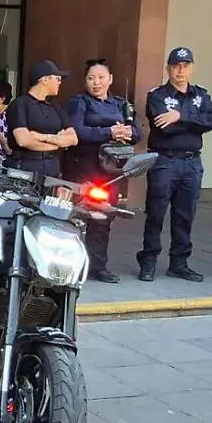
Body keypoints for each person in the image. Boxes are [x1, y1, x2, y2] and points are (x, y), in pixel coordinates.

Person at [137, 47, 212, 283]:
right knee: (156, 213)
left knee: (185, 215)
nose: (180, 70)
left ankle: (179, 263)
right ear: (168, 68)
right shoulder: (158, 95)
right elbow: (164, 126)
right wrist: (192, 121)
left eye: (185, 65)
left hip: (191, 162)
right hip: (164, 160)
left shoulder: (201, 95)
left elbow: (211, 121)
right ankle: (148, 262)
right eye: (175, 65)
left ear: (192, 67)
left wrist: (180, 117)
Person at [64, 59, 140, 283]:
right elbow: (77, 131)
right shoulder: (78, 102)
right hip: (82, 168)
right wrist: (109, 132)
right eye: (91, 78)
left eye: (100, 78)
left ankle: (98, 266)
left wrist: (126, 133)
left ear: (110, 79)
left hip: (110, 171)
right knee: (76, 218)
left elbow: (137, 133)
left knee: (103, 218)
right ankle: (72, 265)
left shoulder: (121, 104)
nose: (96, 83)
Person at [7, 60, 78, 177]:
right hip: (25, 166)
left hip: (52, 167)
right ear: (44, 80)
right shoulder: (20, 104)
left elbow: (73, 139)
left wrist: (44, 137)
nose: (59, 83)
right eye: (57, 79)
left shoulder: (55, 107)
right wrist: (55, 144)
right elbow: (23, 140)